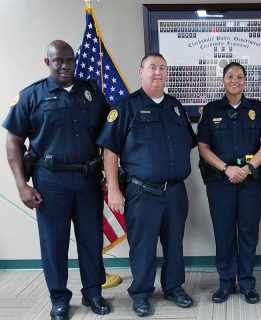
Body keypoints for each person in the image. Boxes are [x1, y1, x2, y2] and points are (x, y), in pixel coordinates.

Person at [3, 40, 111, 320]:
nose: (65, 66)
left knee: (90, 239)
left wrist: (110, 176)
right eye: (58, 61)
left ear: (76, 60)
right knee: (54, 242)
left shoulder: (92, 94)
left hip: (88, 178)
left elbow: (110, 138)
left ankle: (93, 293)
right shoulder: (31, 96)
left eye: (69, 60)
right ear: (47, 62)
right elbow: (13, 141)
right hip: (50, 181)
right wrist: (21, 184)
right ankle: (59, 298)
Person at [97, 53, 196, 317]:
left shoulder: (176, 107)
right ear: (141, 72)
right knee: (143, 246)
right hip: (142, 191)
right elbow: (110, 151)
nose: (157, 72)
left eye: (162, 68)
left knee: (175, 242)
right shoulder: (126, 107)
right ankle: (141, 293)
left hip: (175, 191)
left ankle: (174, 288)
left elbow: (188, 142)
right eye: (152, 67)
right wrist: (115, 189)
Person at [197, 62, 261, 304]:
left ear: (245, 81)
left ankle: (247, 283)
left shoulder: (258, 109)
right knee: (224, 233)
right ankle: (225, 283)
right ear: (223, 80)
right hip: (220, 182)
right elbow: (203, 147)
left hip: (251, 182)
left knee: (249, 233)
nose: (235, 80)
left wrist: (248, 167)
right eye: (230, 76)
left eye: (240, 77)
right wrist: (227, 168)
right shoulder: (210, 111)